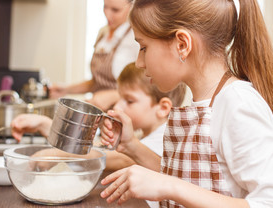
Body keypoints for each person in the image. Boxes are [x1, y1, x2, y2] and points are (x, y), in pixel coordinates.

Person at [99, 0, 273, 207]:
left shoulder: (238, 103)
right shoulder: (204, 102)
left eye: (143, 47)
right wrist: (132, 147)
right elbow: (189, 180)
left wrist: (168, 186)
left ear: (182, 44)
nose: (140, 62)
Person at [11, 62, 186, 172]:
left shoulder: (164, 136)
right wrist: (47, 125)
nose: (118, 106)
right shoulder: (143, 133)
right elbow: (97, 146)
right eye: (119, 98)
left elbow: (121, 159)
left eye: (129, 101)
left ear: (162, 108)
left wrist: (56, 154)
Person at [49, 0, 141, 111]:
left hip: (126, 116)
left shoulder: (136, 39)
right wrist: (66, 89)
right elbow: (97, 83)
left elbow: (147, 88)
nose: (107, 14)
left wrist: (114, 95)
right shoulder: (102, 33)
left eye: (115, 10)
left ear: (132, 6)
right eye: (105, 6)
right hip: (101, 115)